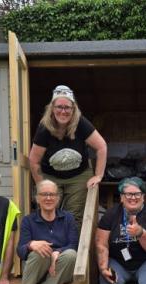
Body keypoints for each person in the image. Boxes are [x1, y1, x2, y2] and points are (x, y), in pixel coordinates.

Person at [29, 85, 107, 228]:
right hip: (51, 176)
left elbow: (101, 147)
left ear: (73, 109)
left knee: (74, 215)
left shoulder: (81, 123)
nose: (63, 111)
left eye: (67, 107)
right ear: (52, 108)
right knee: (49, 211)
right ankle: (50, 247)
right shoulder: (44, 128)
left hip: (79, 175)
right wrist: (41, 185)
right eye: (59, 107)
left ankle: (72, 249)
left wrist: (98, 175)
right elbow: (34, 161)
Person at [15, 180, 78, 284]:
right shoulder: (28, 220)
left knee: (71, 255)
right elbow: (20, 251)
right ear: (37, 198)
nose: (48, 198)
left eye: (52, 194)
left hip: (60, 268)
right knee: (40, 251)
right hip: (36, 270)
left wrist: (58, 252)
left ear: (58, 198)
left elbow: (73, 244)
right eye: (44, 194)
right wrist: (31, 245)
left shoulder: (68, 218)